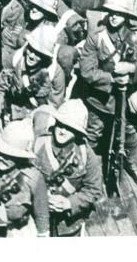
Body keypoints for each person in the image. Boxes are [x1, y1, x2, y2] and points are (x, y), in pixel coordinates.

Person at [78, 0, 137, 189]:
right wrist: (112, 79)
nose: (114, 17)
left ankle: (130, 163)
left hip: (127, 99)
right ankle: (87, 172)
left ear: (127, 15)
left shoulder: (136, 36)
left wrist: (132, 68)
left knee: (130, 135)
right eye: (111, 12)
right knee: (93, 135)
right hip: (101, 100)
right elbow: (87, 72)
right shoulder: (97, 36)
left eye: (119, 13)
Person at [0, 119, 50, 237]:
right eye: (0, 151)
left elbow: (42, 215)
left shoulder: (32, 177)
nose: (2, 157)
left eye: (9, 154)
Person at [34, 99, 102, 236]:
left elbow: (93, 190)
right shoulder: (39, 142)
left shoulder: (87, 156)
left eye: (70, 128)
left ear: (78, 133)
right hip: (37, 215)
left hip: (67, 223)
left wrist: (69, 203)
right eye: (61, 124)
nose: (63, 131)